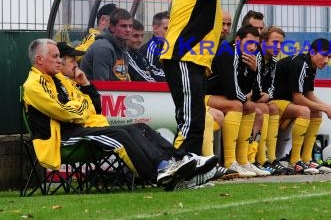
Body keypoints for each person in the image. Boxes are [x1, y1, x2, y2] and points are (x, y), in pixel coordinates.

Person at [160, 0, 297, 156]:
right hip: (182, 57)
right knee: (191, 120)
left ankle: (191, 167)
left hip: (194, 61)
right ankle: (178, 165)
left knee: (196, 119)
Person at [23, 39, 199, 191]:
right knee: (119, 135)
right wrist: (81, 109)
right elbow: (63, 112)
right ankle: (158, 175)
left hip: (80, 128)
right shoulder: (34, 85)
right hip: (61, 139)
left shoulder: (60, 79)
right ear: (39, 59)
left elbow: (89, 105)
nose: (59, 61)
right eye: (55, 57)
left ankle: (177, 159)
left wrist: (81, 100)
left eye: (60, 57)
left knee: (138, 127)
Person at [206, 25, 270, 177]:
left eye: (256, 44)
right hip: (204, 96)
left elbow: (253, 91)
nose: (253, 47)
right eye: (249, 43)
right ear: (237, 40)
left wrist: (254, 71)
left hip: (223, 98)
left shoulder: (249, 58)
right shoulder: (227, 53)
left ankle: (244, 161)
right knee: (238, 105)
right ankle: (230, 162)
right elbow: (233, 91)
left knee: (251, 108)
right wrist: (245, 97)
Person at [272, 38, 331, 174]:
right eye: (323, 55)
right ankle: (294, 161)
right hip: (271, 102)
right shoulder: (301, 64)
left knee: (316, 112)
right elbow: (298, 98)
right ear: (312, 52)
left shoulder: (311, 66)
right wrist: (326, 108)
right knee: (304, 111)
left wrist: (327, 107)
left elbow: (309, 94)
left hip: (286, 103)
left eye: (329, 57)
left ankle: (306, 159)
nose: (326, 61)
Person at [257, 26, 295, 175]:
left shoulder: (273, 61)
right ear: (263, 41)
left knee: (272, 107)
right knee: (268, 108)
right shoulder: (255, 56)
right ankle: (260, 158)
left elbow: (273, 87)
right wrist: (260, 96)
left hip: (262, 100)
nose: (278, 46)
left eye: (281, 43)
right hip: (243, 99)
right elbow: (251, 83)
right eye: (274, 42)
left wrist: (267, 95)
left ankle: (272, 158)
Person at [80, 8, 132, 81]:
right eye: (123, 26)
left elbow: (123, 81)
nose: (128, 30)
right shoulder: (103, 48)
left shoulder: (123, 50)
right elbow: (103, 86)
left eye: (130, 26)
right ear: (112, 27)